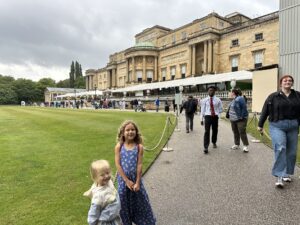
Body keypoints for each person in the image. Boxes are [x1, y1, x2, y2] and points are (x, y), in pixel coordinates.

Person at [258, 75, 300, 188]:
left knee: (291, 152)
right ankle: (279, 175)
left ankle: (287, 173)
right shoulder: (273, 96)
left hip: (293, 126)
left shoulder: (297, 95)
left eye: (290, 80)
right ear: (281, 83)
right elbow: (265, 110)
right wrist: (260, 125)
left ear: (292, 83)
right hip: (277, 126)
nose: (288, 82)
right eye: (285, 80)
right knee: (281, 148)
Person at [115, 120, 156, 225]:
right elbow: (118, 165)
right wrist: (126, 181)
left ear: (136, 132)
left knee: (141, 202)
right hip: (123, 181)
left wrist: (137, 181)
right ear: (123, 132)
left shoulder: (139, 147)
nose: (130, 132)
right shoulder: (119, 147)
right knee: (123, 203)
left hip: (136, 181)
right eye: (127, 130)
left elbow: (139, 165)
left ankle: (145, 222)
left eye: (132, 129)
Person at [83, 160, 121, 225]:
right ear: (95, 177)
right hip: (107, 221)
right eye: (102, 175)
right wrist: (92, 222)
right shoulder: (98, 196)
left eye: (107, 173)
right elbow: (93, 212)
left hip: (114, 216)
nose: (106, 176)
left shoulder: (108, 182)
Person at [200, 86, 223, 154]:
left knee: (215, 130)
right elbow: (202, 110)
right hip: (207, 116)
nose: (211, 92)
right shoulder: (204, 100)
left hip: (215, 116)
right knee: (207, 131)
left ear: (214, 91)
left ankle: (214, 142)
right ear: (208, 91)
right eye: (210, 90)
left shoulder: (218, 100)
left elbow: (221, 108)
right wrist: (201, 119)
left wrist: (217, 113)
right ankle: (206, 147)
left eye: (212, 90)